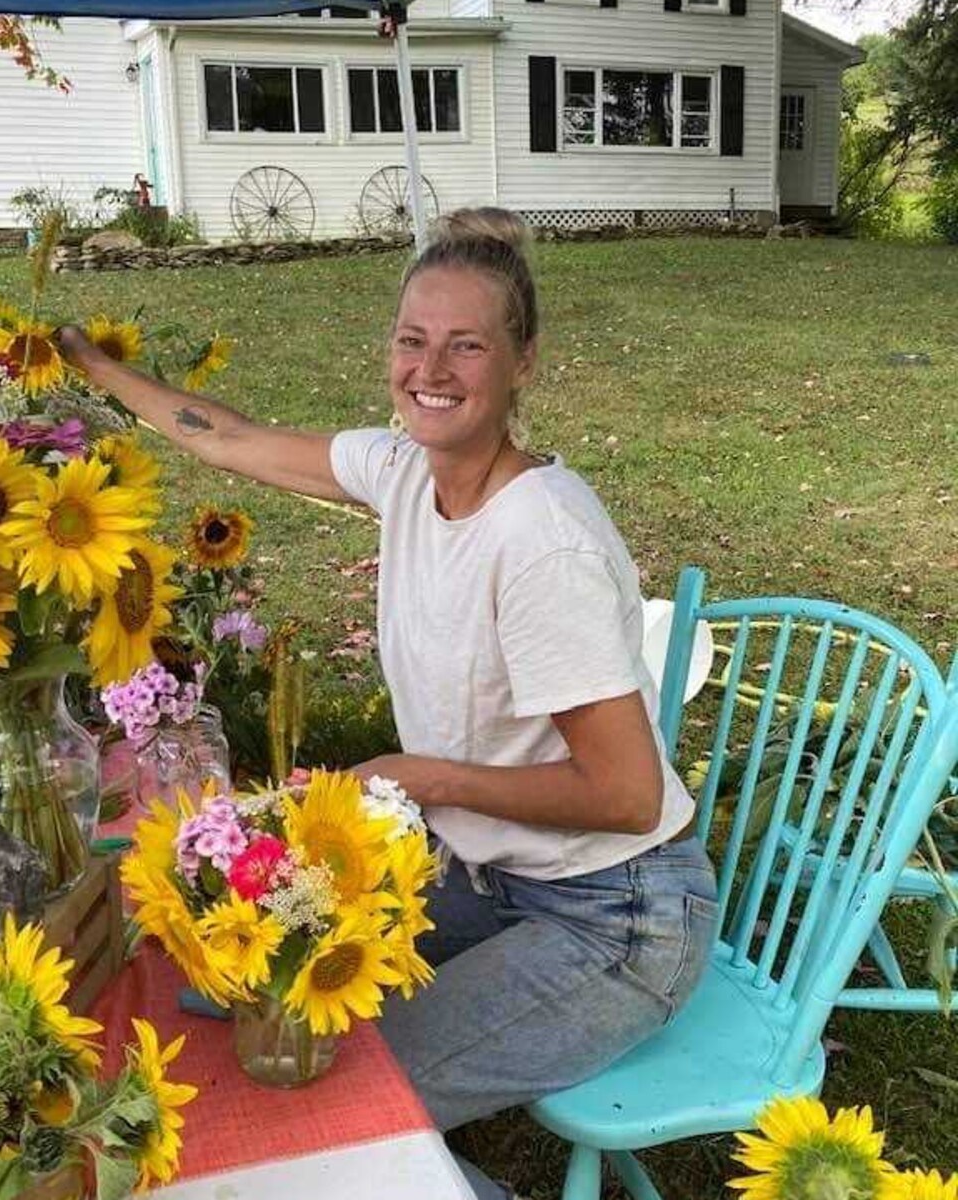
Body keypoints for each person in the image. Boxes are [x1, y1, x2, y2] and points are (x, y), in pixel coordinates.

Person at [58, 207, 717, 1200]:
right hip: (492, 876)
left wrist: (418, 779)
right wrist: (93, 369)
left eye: (467, 345)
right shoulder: (407, 469)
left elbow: (626, 793)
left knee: (331, 1106)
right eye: (413, 341)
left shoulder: (541, 546)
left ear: (522, 362)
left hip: (618, 918)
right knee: (252, 988)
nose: (431, 369)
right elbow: (230, 438)